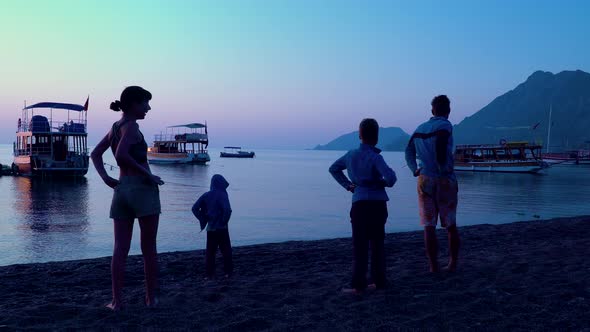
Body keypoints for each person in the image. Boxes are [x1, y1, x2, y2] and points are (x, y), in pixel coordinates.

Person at [90, 86, 164, 310]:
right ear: (133, 104)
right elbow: (122, 156)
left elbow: (95, 154)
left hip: (121, 190)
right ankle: (150, 299)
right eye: (145, 103)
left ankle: (116, 302)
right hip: (141, 190)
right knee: (148, 248)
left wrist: (106, 178)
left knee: (120, 248)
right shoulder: (131, 127)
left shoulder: (115, 127)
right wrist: (148, 174)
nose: (148, 107)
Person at [329, 118, 397, 294]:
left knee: (359, 245)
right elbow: (391, 179)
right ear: (376, 137)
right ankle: (379, 281)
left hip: (359, 204)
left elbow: (334, 169)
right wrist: (380, 183)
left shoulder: (351, 155)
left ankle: (358, 285)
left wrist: (349, 186)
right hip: (378, 205)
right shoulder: (376, 157)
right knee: (377, 244)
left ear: (360, 135)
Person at [405, 95, 460, 273]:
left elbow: (408, 151)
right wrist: (442, 166)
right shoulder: (445, 125)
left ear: (432, 110)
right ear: (448, 111)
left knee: (429, 226)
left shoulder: (419, 128)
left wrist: (414, 169)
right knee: (450, 225)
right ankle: (452, 263)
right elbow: (442, 144)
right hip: (444, 179)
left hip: (424, 179)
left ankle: (433, 266)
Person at [192, 174, 233, 279]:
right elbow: (227, 210)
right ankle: (228, 273)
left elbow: (194, 208)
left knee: (210, 252)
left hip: (210, 229)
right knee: (226, 251)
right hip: (222, 229)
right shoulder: (223, 194)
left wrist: (203, 218)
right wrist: (224, 221)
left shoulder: (206, 195)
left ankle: (209, 274)